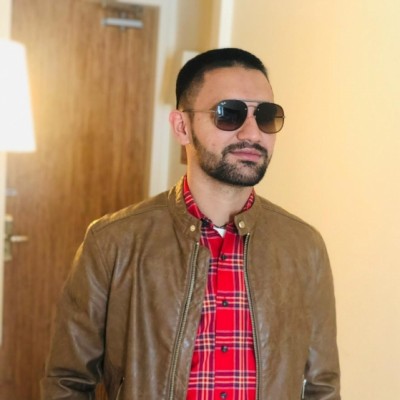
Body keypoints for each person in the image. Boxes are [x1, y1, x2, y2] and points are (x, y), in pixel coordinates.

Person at [41, 48, 340, 400]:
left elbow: (322, 387)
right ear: (182, 127)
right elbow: (67, 381)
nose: (252, 133)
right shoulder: (113, 242)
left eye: (266, 116)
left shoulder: (304, 247)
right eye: (229, 114)